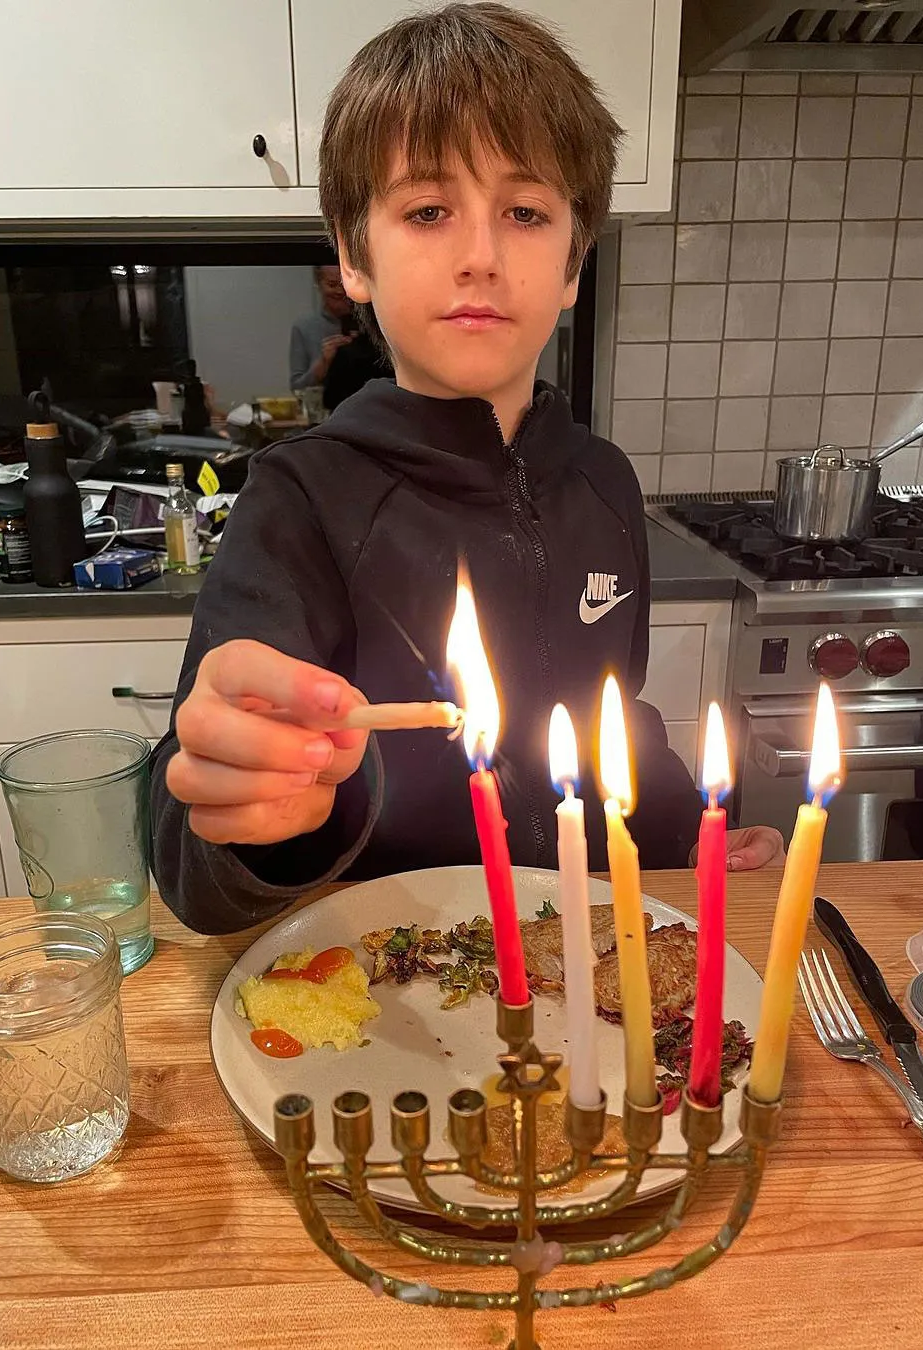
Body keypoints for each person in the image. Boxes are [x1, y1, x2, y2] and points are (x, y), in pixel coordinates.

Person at [151, 3, 785, 935]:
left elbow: (616, 719)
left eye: (525, 213)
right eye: (428, 211)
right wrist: (258, 816)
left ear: (573, 262)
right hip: (395, 971)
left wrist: (689, 834)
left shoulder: (605, 482)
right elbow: (193, 873)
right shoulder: (300, 499)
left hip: (585, 958)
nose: (481, 256)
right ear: (354, 257)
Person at [288, 264, 354, 392]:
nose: (340, 291)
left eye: (343, 284)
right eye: (332, 284)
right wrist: (324, 362)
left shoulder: (372, 325)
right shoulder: (304, 327)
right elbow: (297, 388)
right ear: (319, 284)